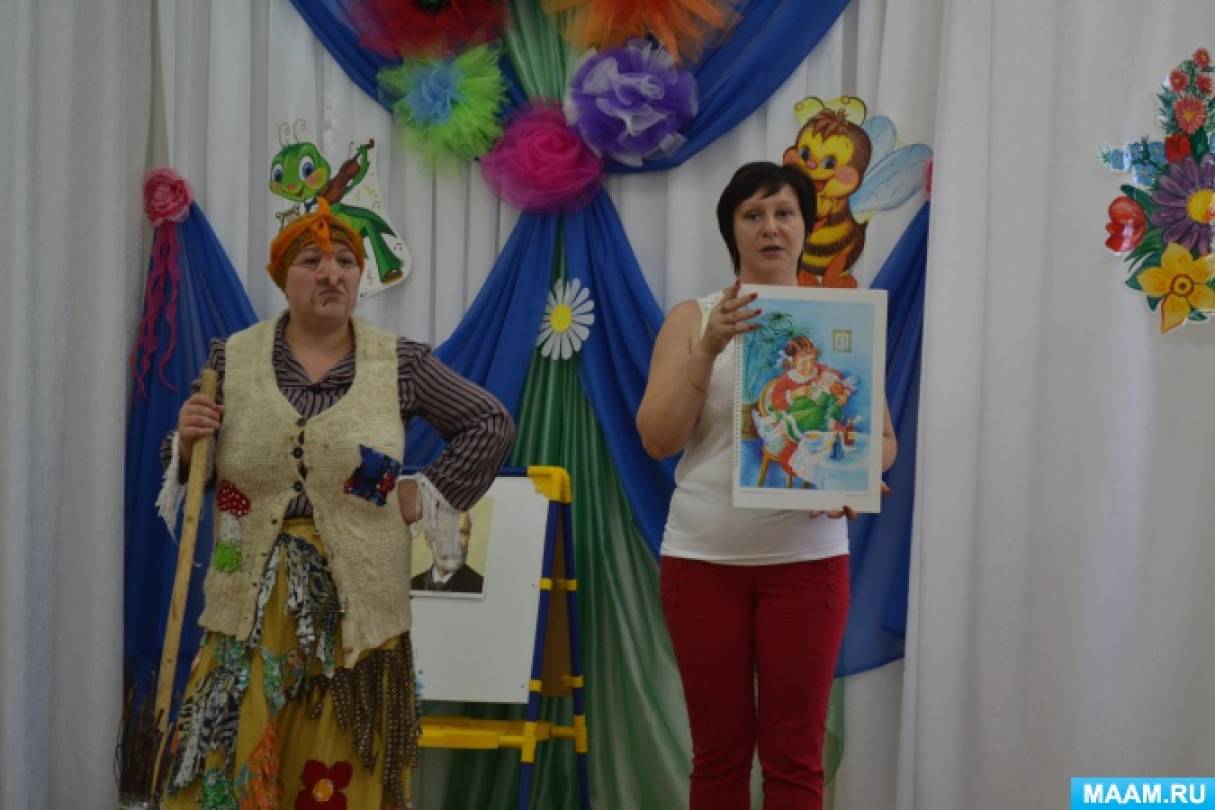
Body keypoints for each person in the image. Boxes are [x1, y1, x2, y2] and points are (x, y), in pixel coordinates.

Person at [157, 199, 514, 809]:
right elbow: (199, 472)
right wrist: (188, 444)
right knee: (226, 761)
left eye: (346, 262)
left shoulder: (399, 363)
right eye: (311, 261)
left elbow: (489, 422)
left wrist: (425, 493)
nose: (331, 274)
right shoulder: (231, 360)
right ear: (282, 276)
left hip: (359, 610)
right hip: (248, 604)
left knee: (336, 773)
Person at [636, 162, 897, 810]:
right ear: (732, 231)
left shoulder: (840, 319)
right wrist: (707, 348)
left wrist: (857, 476)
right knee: (718, 755)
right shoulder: (692, 318)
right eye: (752, 215)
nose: (769, 227)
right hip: (701, 562)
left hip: (807, 566)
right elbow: (657, 439)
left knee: (795, 757)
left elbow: (883, 439)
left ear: (806, 227)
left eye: (784, 213)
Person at [410, 511, 485, 594]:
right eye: (446, 532)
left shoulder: (481, 587)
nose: (455, 542)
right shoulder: (412, 586)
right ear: (428, 539)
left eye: (463, 532)